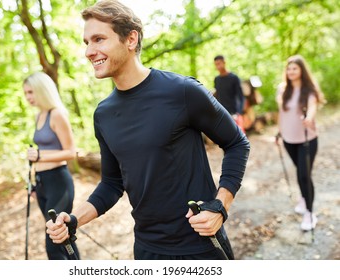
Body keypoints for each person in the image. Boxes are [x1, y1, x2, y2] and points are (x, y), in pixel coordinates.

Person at [46, 0, 250, 260]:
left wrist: (220, 206)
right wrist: (75, 219)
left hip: (200, 247)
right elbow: (112, 183)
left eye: (98, 39)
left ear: (131, 39)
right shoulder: (104, 114)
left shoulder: (183, 91)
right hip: (146, 250)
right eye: (86, 42)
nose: (89, 51)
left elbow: (237, 143)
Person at [23, 72, 80, 259]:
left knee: (54, 243)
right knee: (64, 239)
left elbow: (71, 152)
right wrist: (34, 184)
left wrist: (40, 156)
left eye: (31, 92)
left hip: (59, 183)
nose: (28, 97)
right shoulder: (39, 115)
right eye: (26, 93)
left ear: (42, 90)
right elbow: (40, 156)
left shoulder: (57, 114)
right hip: (42, 184)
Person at [275, 55, 325, 231]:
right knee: (300, 172)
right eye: (289, 69)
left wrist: (309, 119)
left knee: (304, 175)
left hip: (307, 139)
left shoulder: (308, 90)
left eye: (294, 68)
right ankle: (305, 198)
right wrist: (279, 132)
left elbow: (312, 108)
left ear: (302, 70)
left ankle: (310, 213)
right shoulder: (283, 90)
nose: (291, 71)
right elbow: (282, 113)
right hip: (289, 139)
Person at [213, 55, 245, 133]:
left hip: (233, 113)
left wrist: (238, 112)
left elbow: (240, 96)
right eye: (216, 64)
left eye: (219, 63)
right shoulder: (216, 79)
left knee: (238, 136)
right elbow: (216, 95)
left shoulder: (234, 78)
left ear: (224, 63)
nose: (218, 66)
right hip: (221, 112)